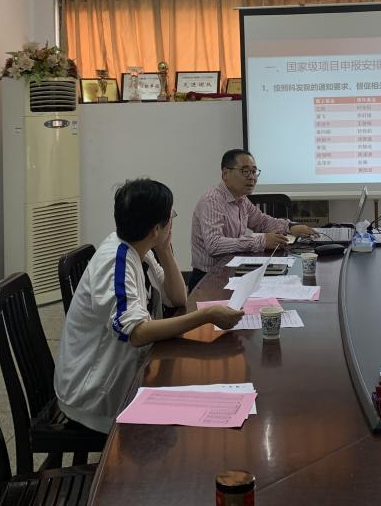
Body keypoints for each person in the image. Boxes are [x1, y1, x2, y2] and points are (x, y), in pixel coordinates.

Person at [55, 178, 243, 434]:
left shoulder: (140, 249)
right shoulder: (116, 262)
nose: (172, 222)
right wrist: (206, 316)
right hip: (95, 396)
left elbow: (177, 298)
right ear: (156, 228)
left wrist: (164, 250)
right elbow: (138, 333)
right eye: (170, 217)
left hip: (126, 371)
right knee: (191, 428)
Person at [189, 149, 317, 290]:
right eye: (245, 171)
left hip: (232, 272)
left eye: (254, 171)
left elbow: (262, 222)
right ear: (225, 174)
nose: (252, 177)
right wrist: (261, 241)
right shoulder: (212, 200)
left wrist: (290, 227)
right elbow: (214, 245)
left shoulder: (241, 199)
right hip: (208, 278)